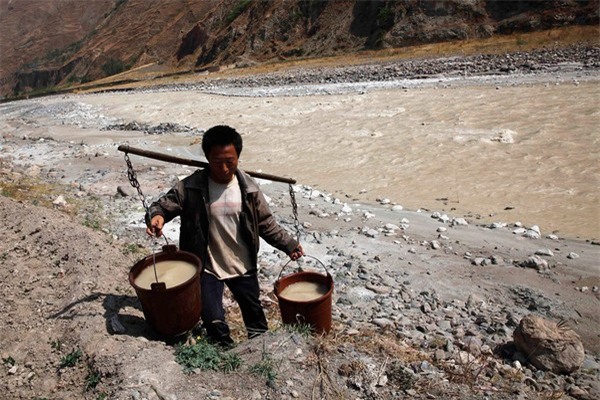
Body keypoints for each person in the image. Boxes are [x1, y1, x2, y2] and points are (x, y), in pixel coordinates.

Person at [146, 125, 303, 346]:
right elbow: (162, 206)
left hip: (242, 264)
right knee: (213, 321)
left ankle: (259, 354)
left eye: (230, 161)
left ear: (238, 157)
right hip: (207, 266)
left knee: (256, 322)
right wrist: (156, 217)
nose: (224, 168)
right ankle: (225, 357)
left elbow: (265, 223)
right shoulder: (190, 187)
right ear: (207, 158)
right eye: (217, 161)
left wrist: (288, 244)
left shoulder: (249, 189)